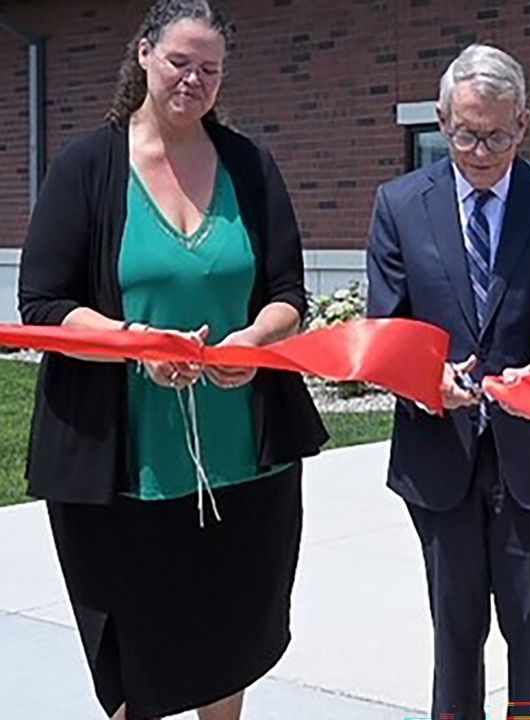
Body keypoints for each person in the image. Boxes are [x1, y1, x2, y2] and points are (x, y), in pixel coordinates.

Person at [16, 1, 328, 718]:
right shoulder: (87, 166)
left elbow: (287, 293)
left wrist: (254, 341)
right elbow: (44, 301)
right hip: (123, 468)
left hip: (248, 462)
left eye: (210, 68)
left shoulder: (249, 165)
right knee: (138, 659)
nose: (194, 79)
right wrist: (137, 345)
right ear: (145, 55)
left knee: (233, 639)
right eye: (180, 61)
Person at [365, 43, 530, 720]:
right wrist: (425, 378)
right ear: (442, 120)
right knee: (455, 637)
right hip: (440, 458)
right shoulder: (400, 205)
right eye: (466, 132)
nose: (480, 149)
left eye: (497, 134)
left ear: (525, 124)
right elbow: (388, 327)